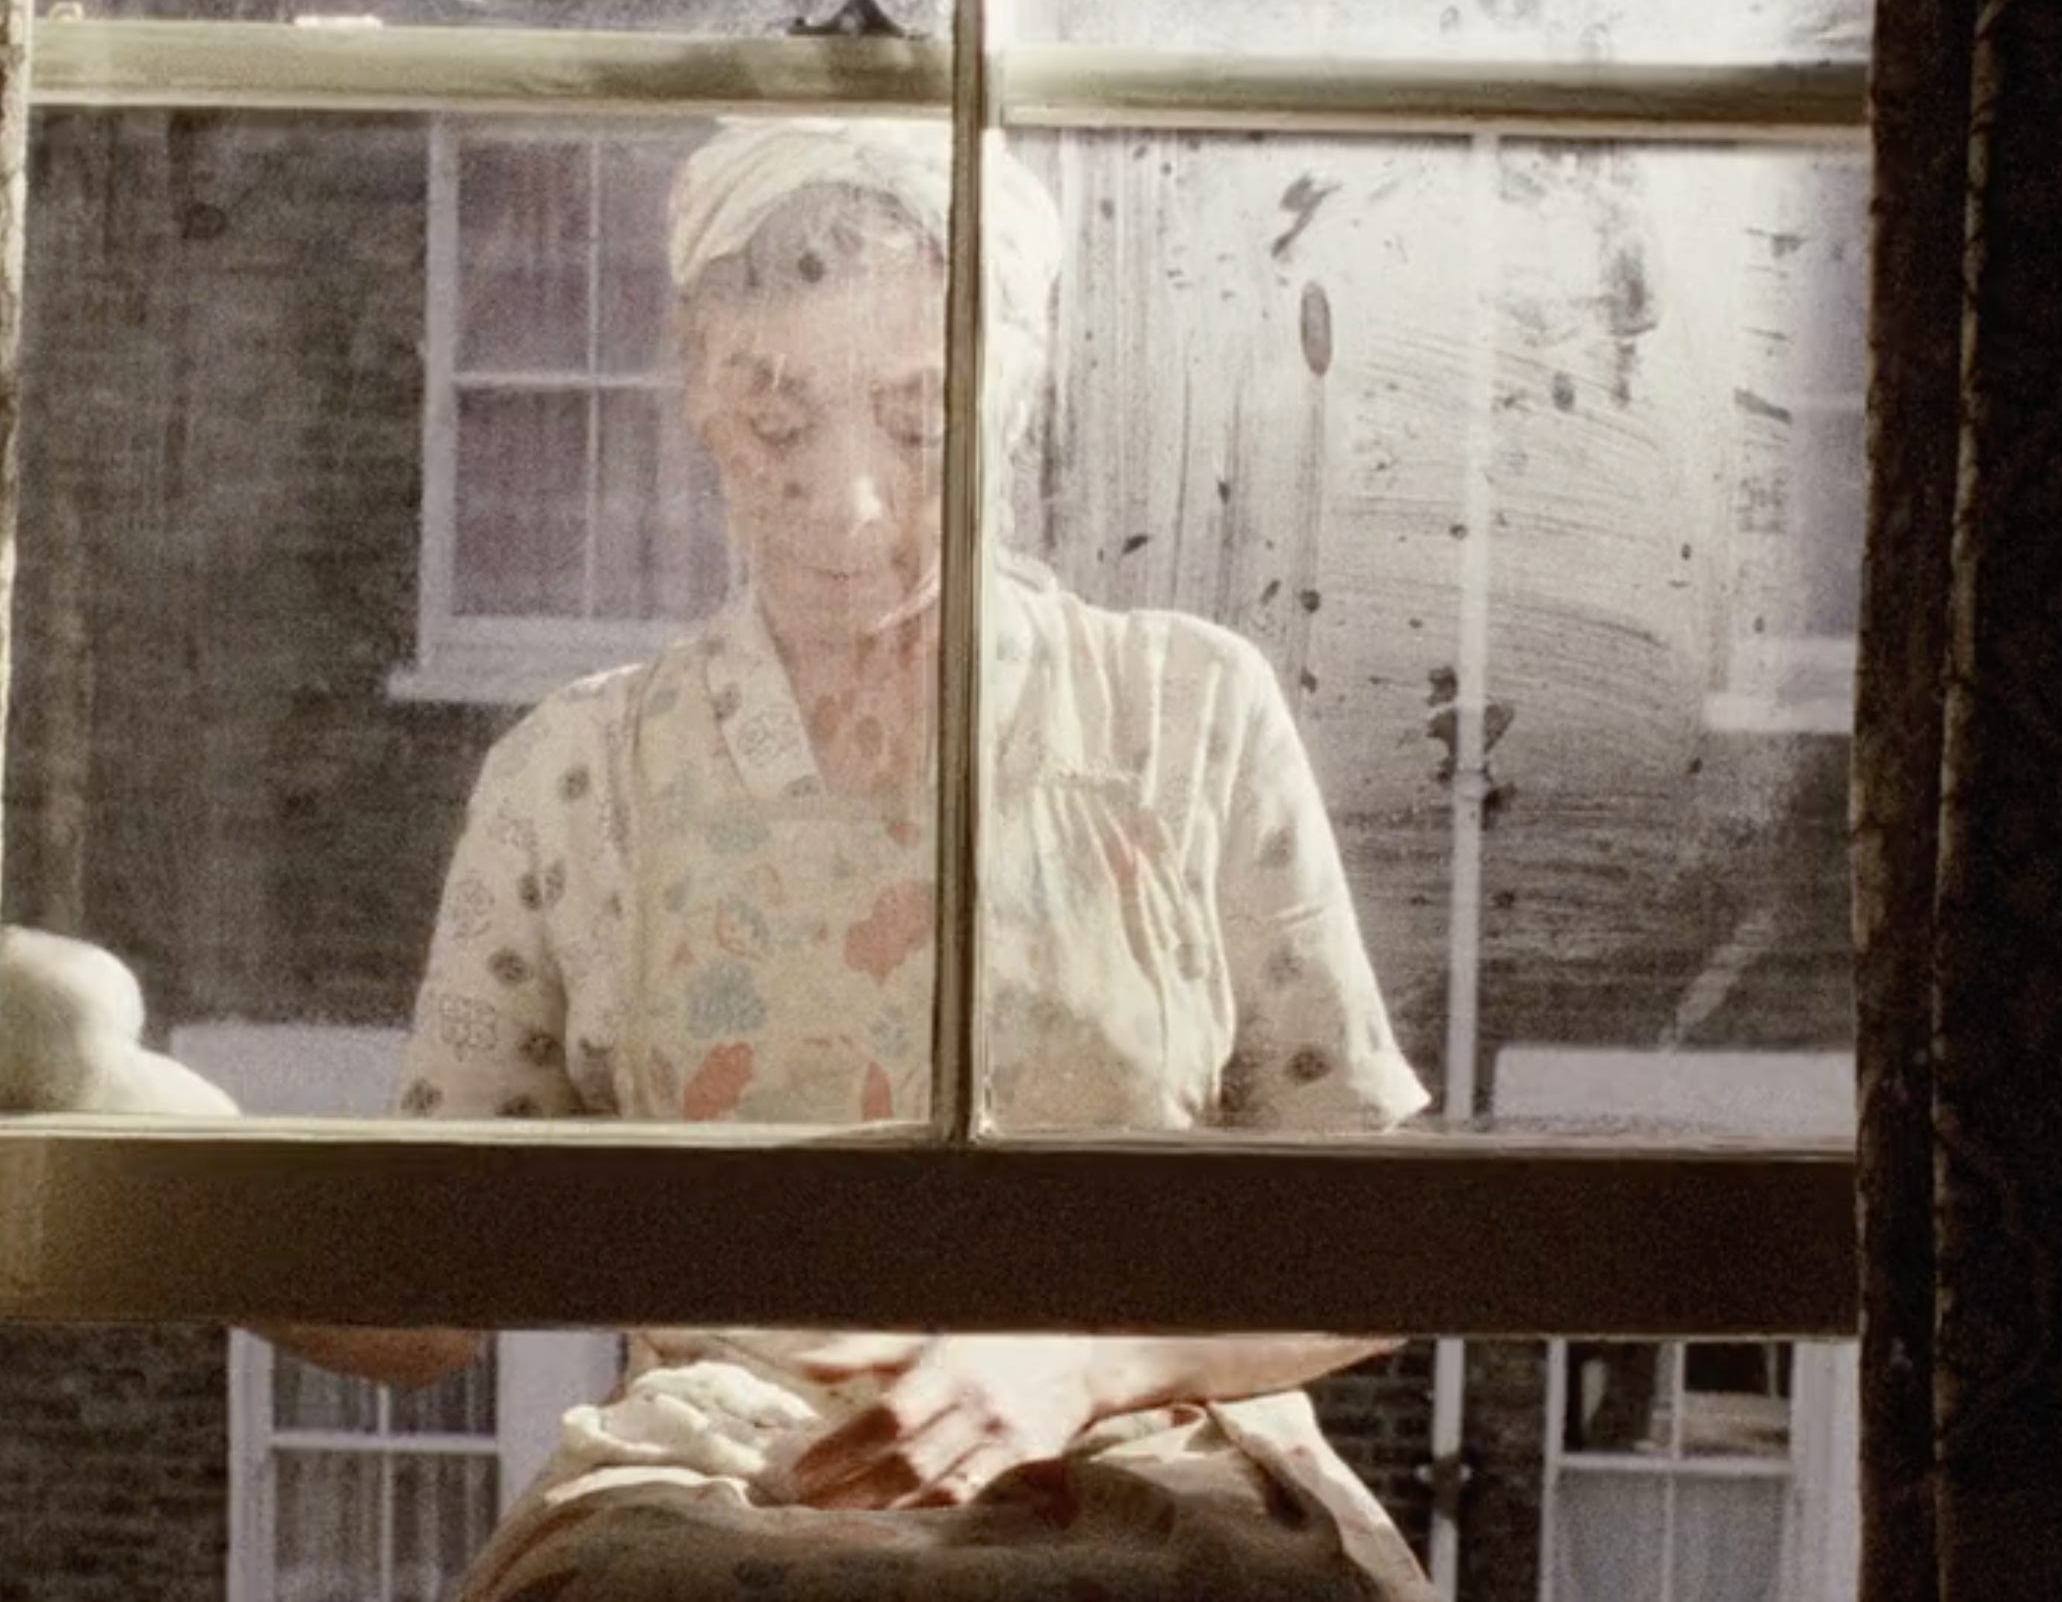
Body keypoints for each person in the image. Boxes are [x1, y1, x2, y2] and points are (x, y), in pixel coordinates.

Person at [276, 118, 1438, 1602]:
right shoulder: (580, 775)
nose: (852, 503)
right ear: (699, 389)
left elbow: (1382, 1244)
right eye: (779, 420)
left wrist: (1093, 1364)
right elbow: (430, 1301)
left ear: (1016, 400)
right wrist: (133, 1153)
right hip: (724, 1496)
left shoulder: (1184, 717)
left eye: (918, 422)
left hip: (1154, 1469)